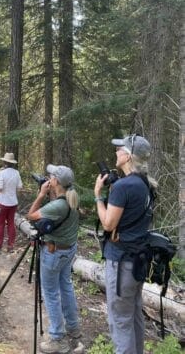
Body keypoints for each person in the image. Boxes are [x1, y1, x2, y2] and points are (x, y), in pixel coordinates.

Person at [94, 134, 157, 354]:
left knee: (120, 320)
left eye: (120, 149)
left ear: (128, 156)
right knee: (134, 315)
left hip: (121, 263)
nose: (116, 152)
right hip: (138, 260)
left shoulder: (124, 186)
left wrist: (97, 196)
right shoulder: (146, 184)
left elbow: (109, 224)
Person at [27, 164, 81, 354]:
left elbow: (31, 216)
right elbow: (56, 213)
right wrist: (51, 192)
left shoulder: (58, 205)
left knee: (50, 293)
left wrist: (41, 194)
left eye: (51, 176)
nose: (48, 178)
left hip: (54, 252)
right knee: (65, 287)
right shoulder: (71, 197)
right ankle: (73, 329)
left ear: (56, 181)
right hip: (68, 250)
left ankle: (58, 338)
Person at [0, 152, 23, 254]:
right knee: (11, 224)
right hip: (13, 203)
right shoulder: (16, 173)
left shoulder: (2, 173)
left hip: (2, 203)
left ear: (4, 162)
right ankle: (10, 246)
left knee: (0, 224)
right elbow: (20, 187)